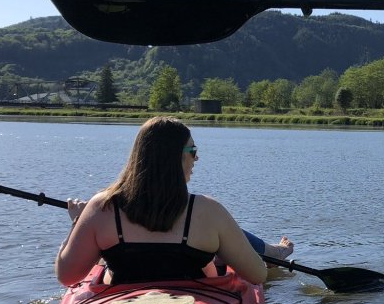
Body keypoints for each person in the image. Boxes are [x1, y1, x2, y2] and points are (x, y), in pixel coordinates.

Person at [56, 116, 293, 286]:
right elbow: (258, 275)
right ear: (174, 157)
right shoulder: (208, 211)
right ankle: (261, 252)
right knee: (215, 251)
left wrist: (79, 222)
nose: (197, 157)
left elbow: (68, 277)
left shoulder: (101, 207)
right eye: (192, 150)